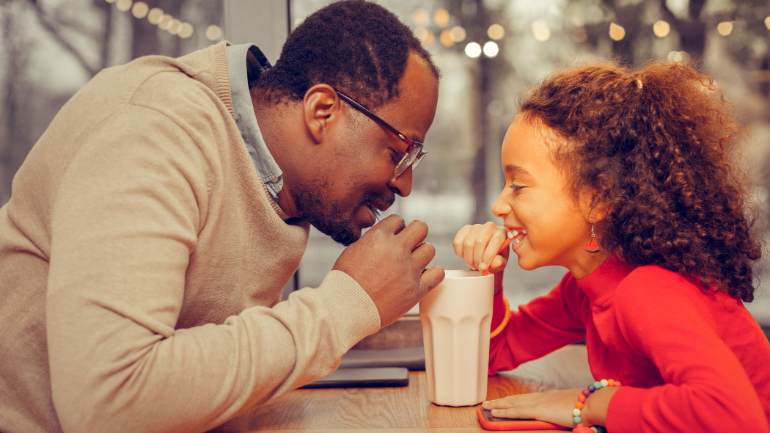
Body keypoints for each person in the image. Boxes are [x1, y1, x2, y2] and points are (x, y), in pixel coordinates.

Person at [0, 2, 445, 433]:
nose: (404, 185)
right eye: (397, 153)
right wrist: (345, 306)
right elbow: (110, 402)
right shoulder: (156, 132)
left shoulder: (277, 183)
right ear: (322, 111)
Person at [453, 62, 770, 432]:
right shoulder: (584, 289)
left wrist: (591, 404)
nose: (499, 205)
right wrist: (491, 277)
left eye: (518, 186)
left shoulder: (647, 290)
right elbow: (492, 354)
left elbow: (734, 417)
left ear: (597, 198)